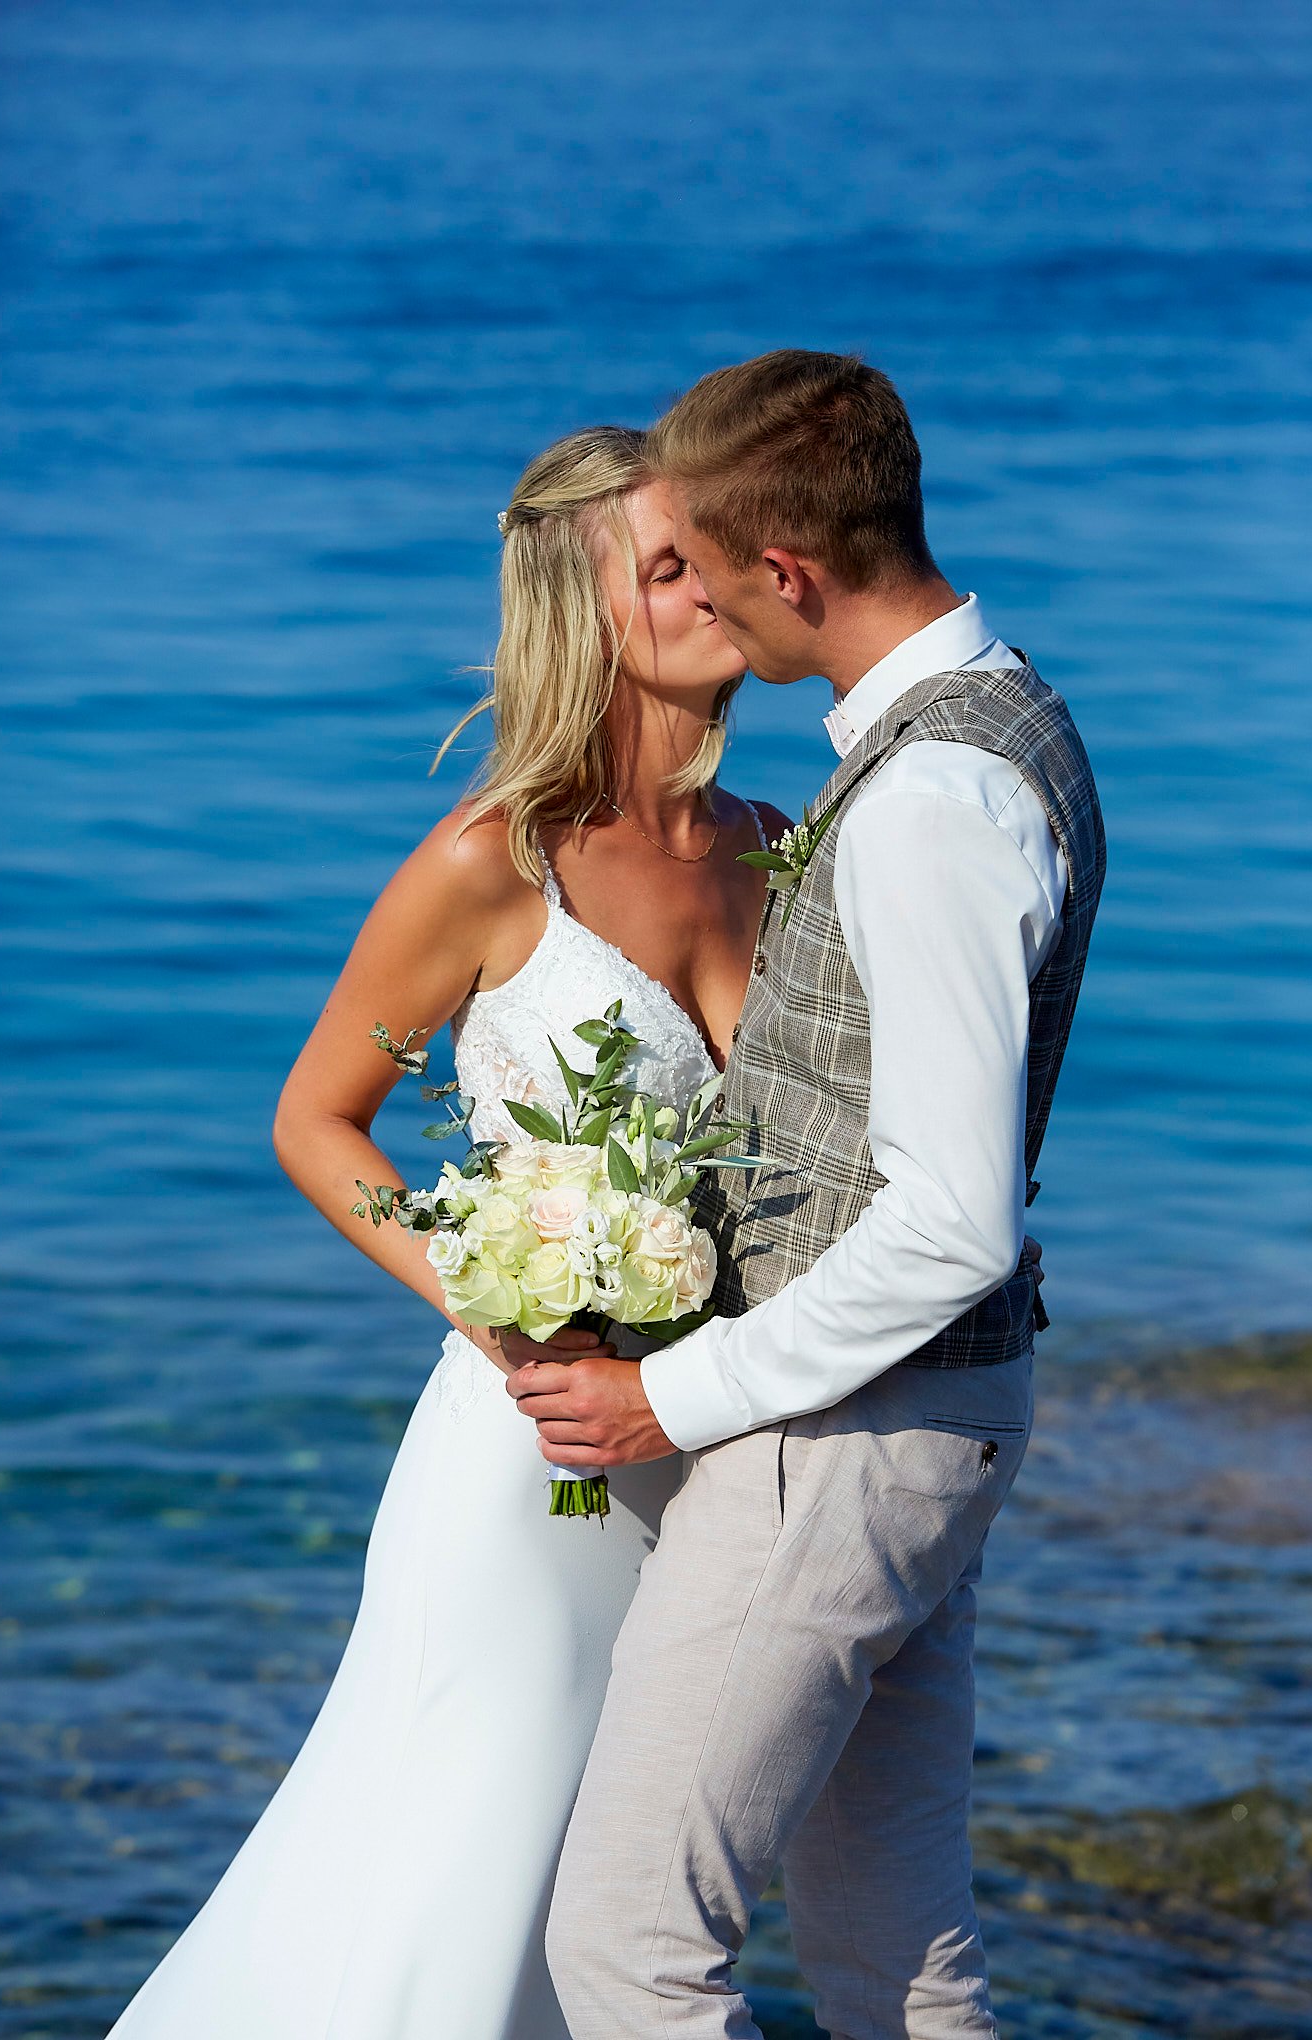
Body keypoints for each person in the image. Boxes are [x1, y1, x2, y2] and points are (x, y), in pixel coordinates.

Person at [106, 424, 787, 2039]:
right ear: (589, 603)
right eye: (672, 565)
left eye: (724, 550)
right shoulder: (497, 861)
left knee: (615, 1906)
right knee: (453, 1867)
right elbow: (311, 1120)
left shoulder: (780, 846)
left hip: (707, 1458)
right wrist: (493, 1307)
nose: (723, 588)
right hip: (519, 1466)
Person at [511, 351, 1106, 2040]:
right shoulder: (999, 717)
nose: (685, 597)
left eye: (699, 562)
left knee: (629, 1954)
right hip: (932, 1420)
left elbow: (948, 1221)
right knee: (895, 1956)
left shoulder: (928, 796)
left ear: (791, 574)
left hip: (845, 1443)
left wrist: (663, 1396)